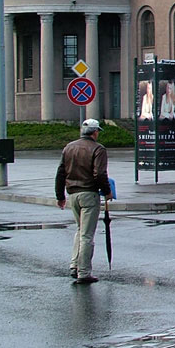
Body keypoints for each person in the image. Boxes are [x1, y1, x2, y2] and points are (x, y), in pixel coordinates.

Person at [55, 118, 112, 284]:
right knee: (87, 234)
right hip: (89, 194)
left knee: (79, 230)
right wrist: (107, 191)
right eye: (98, 132)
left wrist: (60, 196)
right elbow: (100, 174)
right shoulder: (98, 149)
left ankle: (74, 265)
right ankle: (84, 272)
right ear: (95, 132)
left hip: (72, 194)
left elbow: (60, 173)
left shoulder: (69, 148)